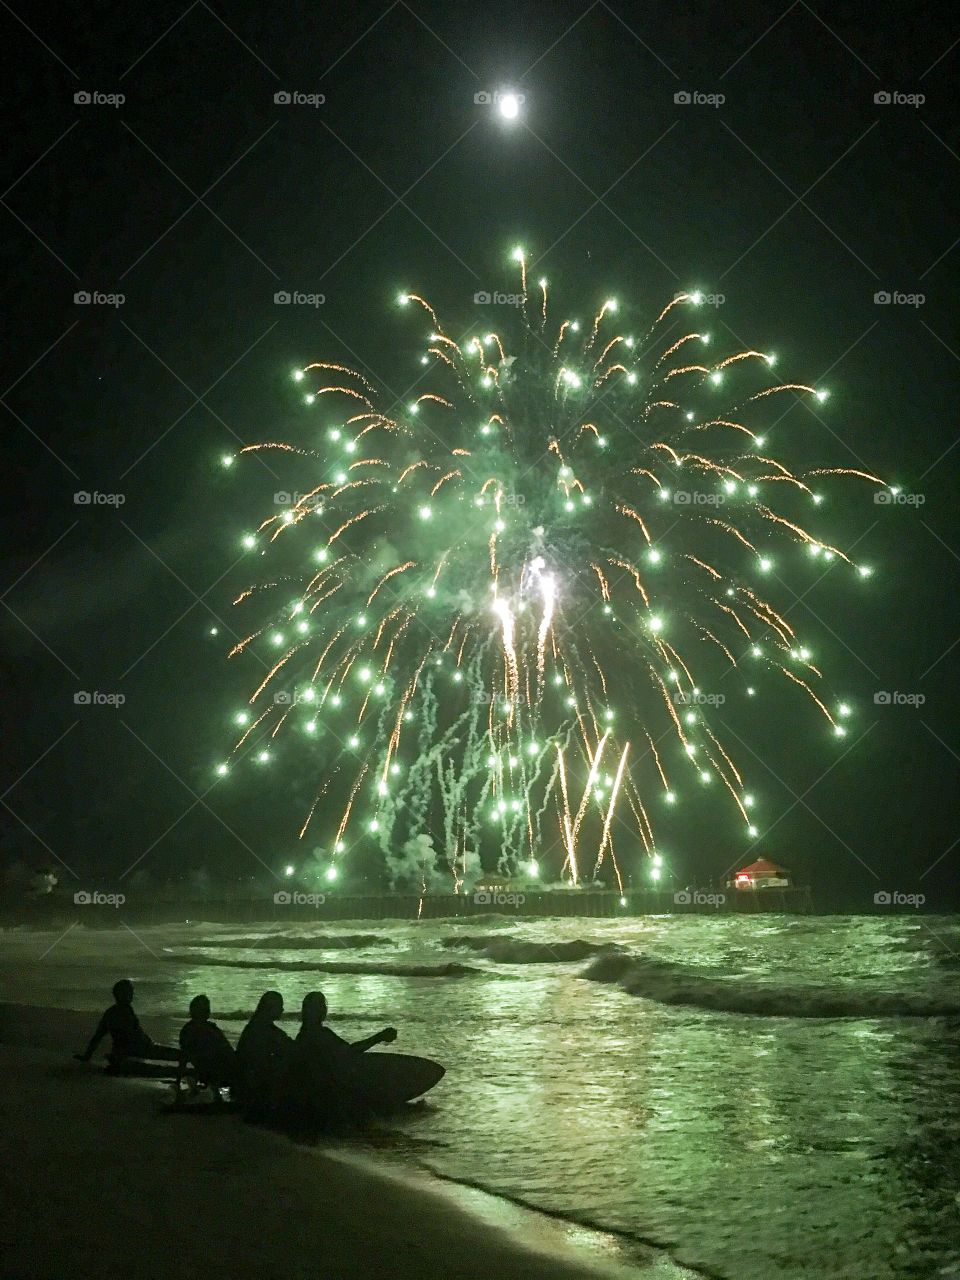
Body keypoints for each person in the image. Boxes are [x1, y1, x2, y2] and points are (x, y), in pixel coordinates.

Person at [274, 991, 397, 1127]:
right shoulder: (320, 1035)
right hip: (321, 1096)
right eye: (322, 1005)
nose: (325, 1009)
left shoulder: (303, 1036)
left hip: (309, 1094)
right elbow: (350, 1052)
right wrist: (378, 1037)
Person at [74, 979, 179, 1070]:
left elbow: (98, 1036)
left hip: (124, 1051)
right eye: (130, 992)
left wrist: (87, 1056)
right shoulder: (124, 1011)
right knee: (176, 1056)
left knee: (174, 1055)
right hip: (136, 1049)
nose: (132, 995)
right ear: (123, 994)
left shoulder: (111, 1012)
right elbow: (133, 1036)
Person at [234, 990, 292, 1114]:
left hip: (246, 1078)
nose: (282, 1009)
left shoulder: (254, 1026)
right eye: (280, 1006)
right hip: (254, 1082)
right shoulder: (266, 1031)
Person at [176, 994, 236, 1096]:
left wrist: (178, 1079)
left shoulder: (187, 1030)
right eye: (206, 1009)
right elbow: (225, 1049)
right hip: (215, 1069)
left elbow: (184, 1056)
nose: (208, 1011)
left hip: (208, 1068)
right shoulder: (208, 1030)